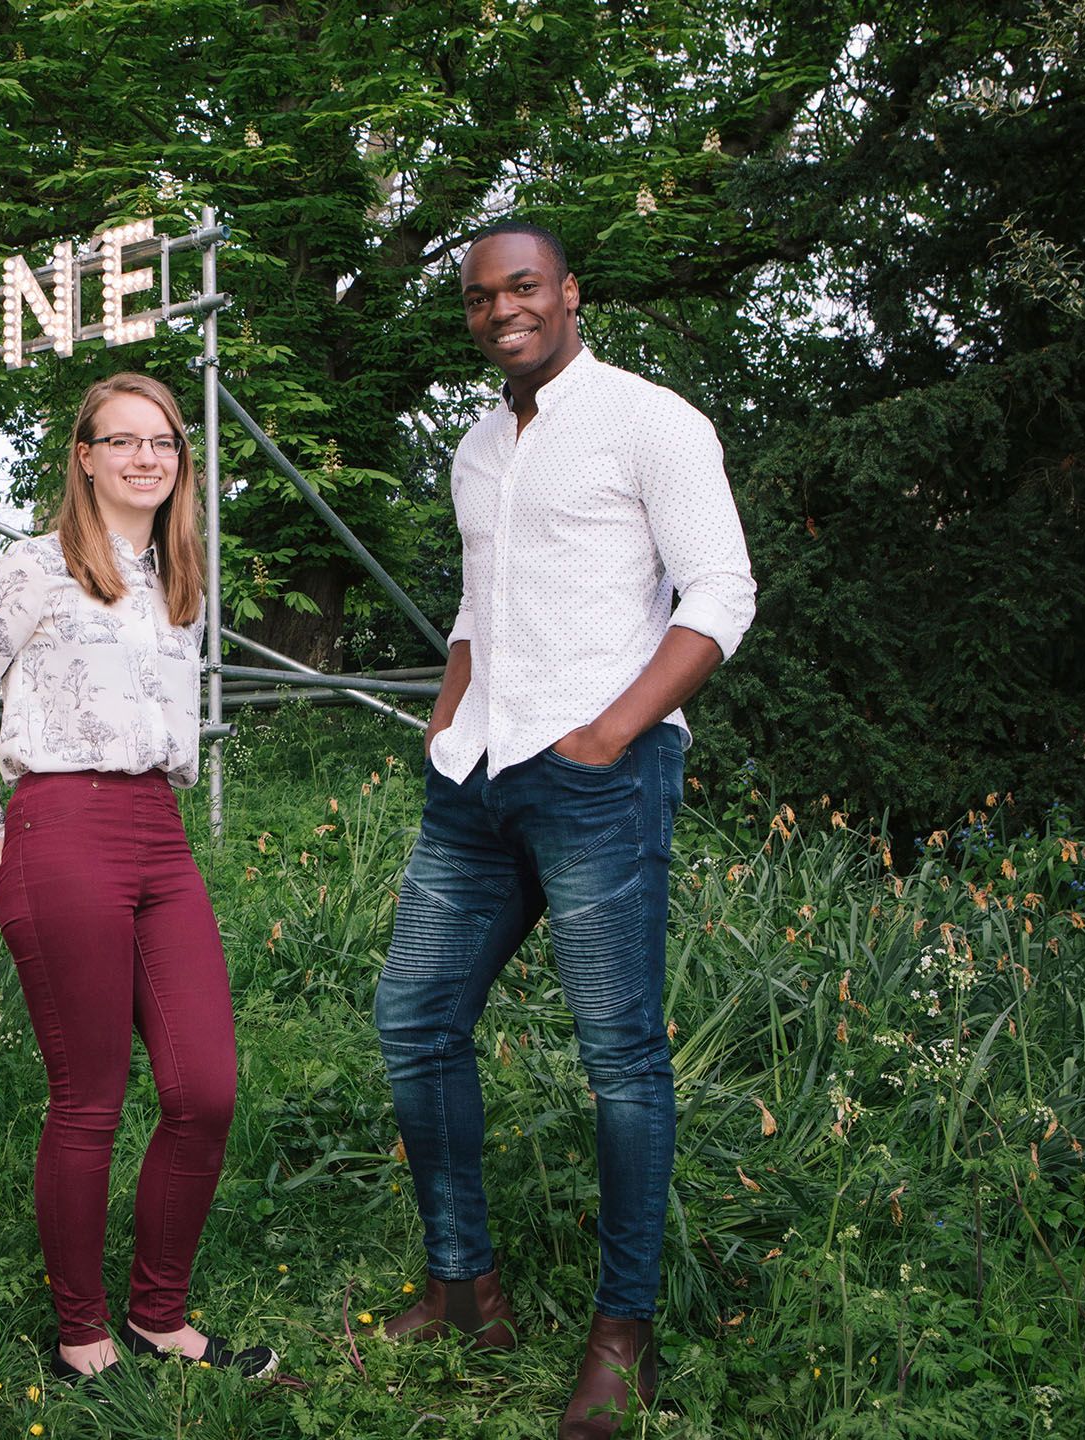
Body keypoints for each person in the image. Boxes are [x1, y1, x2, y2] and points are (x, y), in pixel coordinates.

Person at [372, 221, 757, 1439]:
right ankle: (465, 1286)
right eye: (481, 297)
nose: (501, 311)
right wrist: (446, 726)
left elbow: (722, 591)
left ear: (569, 293)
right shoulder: (478, 448)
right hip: (474, 776)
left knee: (620, 1061)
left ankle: (620, 1335)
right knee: (414, 1019)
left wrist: (609, 734)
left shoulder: (653, 421)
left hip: (597, 779)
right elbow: (477, 607)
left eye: (522, 287)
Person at [0, 372, 276, 1386]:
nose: (142, 458)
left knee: (204, 1087)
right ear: (83, 456)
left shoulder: (182, 580)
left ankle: (160, 1315)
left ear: (179, 460)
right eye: (119, 441)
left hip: (158, 836)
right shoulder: (35, 568)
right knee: (90, 1095)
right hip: (60, 827)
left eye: (160, 442)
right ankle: (84, 1335)